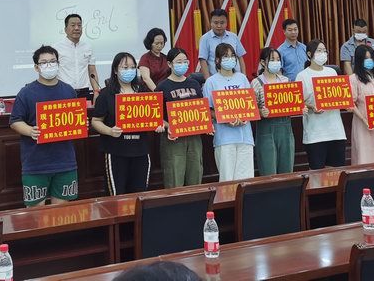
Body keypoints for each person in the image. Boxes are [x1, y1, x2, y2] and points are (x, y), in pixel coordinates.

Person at [9, 45, 79, 207]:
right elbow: (15, 121)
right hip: (36, 163)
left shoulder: (69, 91)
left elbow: (75, 120)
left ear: (58, 64)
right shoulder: (26, 93)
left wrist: (81, 123)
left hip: (65, 162)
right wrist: (30, 130)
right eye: (44, 62)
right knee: (35, 213)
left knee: (62, 214)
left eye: (53, 61)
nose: (49, 65)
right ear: (36, 67)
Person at [92, 52, 163, 195]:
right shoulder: (106, 94)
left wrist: (157, 125)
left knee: (139, 195)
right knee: (117, 196)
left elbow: (152, 117)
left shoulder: (142, 92)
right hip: (116, 151)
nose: (129, 71)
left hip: (140, 151)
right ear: (115, 70)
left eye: (132, 67)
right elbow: (96, 121)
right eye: (125, 68)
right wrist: (110, 131)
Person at [204, 43, 254, 181]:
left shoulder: (242, 78)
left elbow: (250, 104)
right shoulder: (211, 82)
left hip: (245, 137)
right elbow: (207, 110)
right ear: (217, 60)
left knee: (246, 182)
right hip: (224, 139)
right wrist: (224, 118)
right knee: (227, 181)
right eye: (226, 56)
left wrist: (245, 117)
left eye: (232, 56)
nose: (230, 59)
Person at [250, 47, 305, 175]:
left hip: (286, 129)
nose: (276, 62)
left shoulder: (286, 81)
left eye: (278, 59)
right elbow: (251, 110)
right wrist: (260, 112)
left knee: (287, 172)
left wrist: (300, 107)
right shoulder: (256, 83)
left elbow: (294, 103)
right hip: (266, 131)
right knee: (269, 173)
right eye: (272, 60)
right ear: (263, 62)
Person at [297, 39, 348, 169]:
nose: (323, 54)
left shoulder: (332, 72)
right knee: (317, 174)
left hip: (336, 131)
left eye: (324, 51)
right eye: (319, 51)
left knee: (337, 172)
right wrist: (311, 107)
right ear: (309, 54)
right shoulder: (302, 76)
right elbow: (298, 102)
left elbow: (339, 95)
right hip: (315, 134)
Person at [158, 47, 205, 188]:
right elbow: (156, 117)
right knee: (174, 179)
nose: (183, 64)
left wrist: (207, 124)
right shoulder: (162, 86)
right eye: (179, 62)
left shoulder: (194, 84)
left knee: (195, 176)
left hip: (194, 137)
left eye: (185, 61)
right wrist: (169, 126)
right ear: (169, 64)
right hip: (174, 139)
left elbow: (201, 110)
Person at [54, 13, 100, 99]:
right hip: (64, 91)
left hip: (84, 92)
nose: (76, 28)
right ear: (65, 29)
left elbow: (92, 71)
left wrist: (96, 91)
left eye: (79, 25)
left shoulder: (88, 47)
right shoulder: (56, 48)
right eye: (73, 25)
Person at [198, 9, 246, 78]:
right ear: (211, 23)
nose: (219, 26)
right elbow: (203, 61)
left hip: (236, 78)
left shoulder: (233, 36)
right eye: (216, 23)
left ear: (226, 23)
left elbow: (240, 57)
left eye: (222, 23)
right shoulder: (205, 38)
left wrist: (244, 76)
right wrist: (208, 80)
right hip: (216, 79)